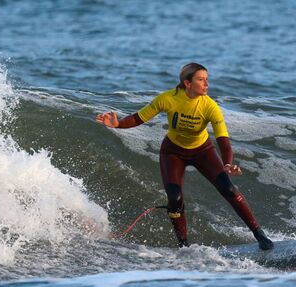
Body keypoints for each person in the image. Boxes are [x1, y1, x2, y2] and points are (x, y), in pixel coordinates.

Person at [96, 63, 274, 250]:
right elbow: (138, 118)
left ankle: (258, 234)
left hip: (202, 151)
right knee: (175, 198)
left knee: (228, 188)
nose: (207, 84)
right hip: (172, 152)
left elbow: (223, 141)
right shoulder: (168, 99)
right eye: (201, 79)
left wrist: (227, 164)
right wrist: (117, 124)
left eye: (207, 79)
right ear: (187, 83)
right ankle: (184, 246)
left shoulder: (210, 107)